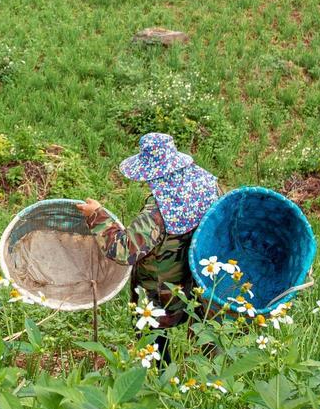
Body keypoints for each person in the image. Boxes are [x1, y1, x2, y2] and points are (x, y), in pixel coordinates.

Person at [78, 133, 221, 357]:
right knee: (204, 324)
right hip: (199, 276)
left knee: (153, 329)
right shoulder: (206, 185)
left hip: (161, 285)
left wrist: (96, 215)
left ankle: (159, 371)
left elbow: (124, 250)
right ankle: (213, 370)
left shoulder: (156, 214)